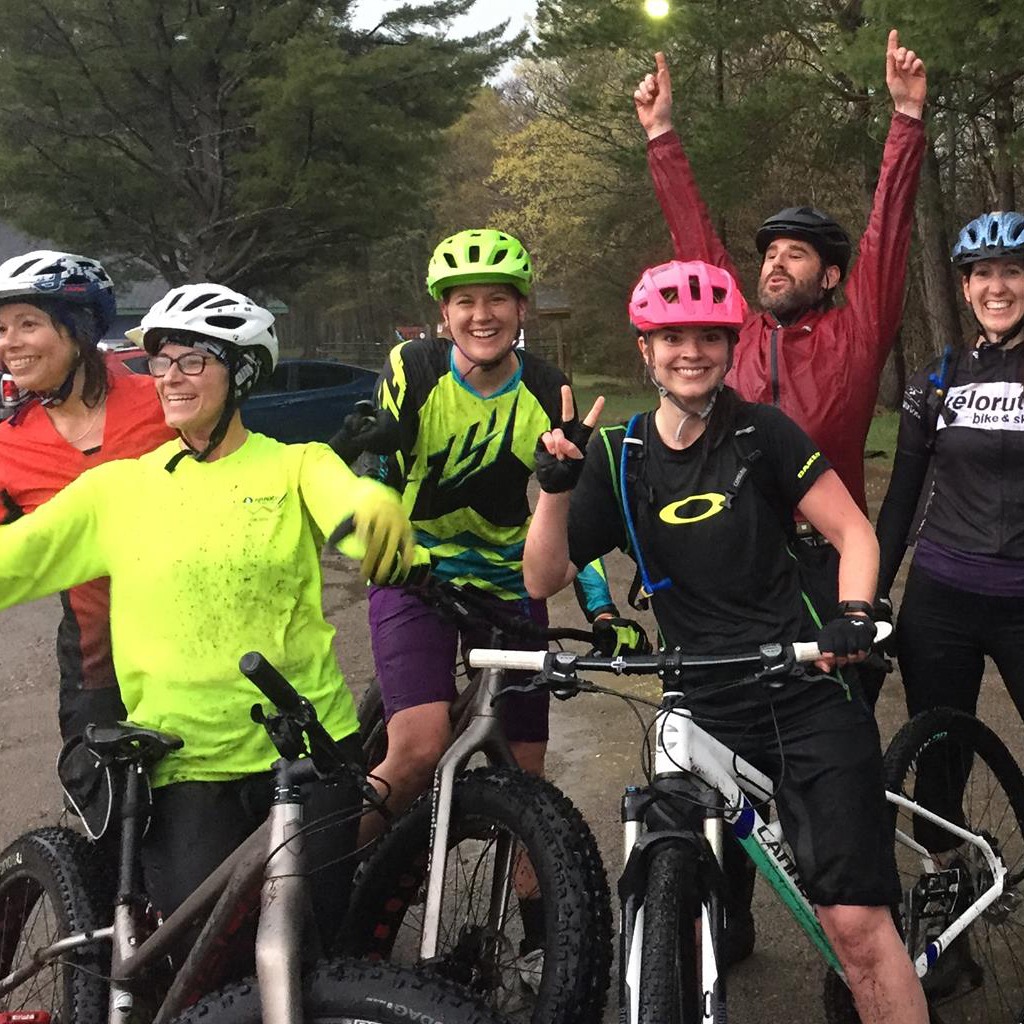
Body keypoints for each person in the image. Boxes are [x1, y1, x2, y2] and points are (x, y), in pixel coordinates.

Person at [523, 258, 927, 1024]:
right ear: (645, 349)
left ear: (729, 346)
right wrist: (553, 490)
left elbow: (854, 533)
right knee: (668, 874)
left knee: (855, 929)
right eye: (671, 337)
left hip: (806, 686)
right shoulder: (620, 453)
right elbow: (541, 578)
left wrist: (852, 612)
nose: (691, 352)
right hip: (700, 699)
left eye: (709, 336)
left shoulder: (761, 433)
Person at [0, 282, 414, 937]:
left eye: (192, 361)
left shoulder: (296, 465)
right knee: (204, 961)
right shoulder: (118, 490)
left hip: (310, 750)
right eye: (160, 363)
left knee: (312, 944)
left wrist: (377, 514)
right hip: (187, 766)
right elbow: (11, 559)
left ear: (241, 371)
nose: (169, 378)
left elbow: (351, 506)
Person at [633, 29, 927, 703]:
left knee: (835, 722)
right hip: (741, 559)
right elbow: (696, 245)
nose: (773, 261)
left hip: (828, 561)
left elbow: (888, 234)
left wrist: (905, 120)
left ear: (827, 278)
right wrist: (661, 135)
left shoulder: (855, 335)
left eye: (794, 254)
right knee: (740, 722)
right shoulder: (736, 331)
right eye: (769, 252)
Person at [349, 227, 622, 847]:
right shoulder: (414, 368)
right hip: (415, 573)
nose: (481, 315)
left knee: (527, 777)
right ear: (443, 313)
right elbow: (379, 479)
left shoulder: (549, 391)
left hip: (506, 577)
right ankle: (334, 885)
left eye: (497, 299)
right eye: (463, 301)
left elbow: (569, 521)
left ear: (521, 308)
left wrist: (601, 609)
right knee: (418, 750)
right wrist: (377, 521)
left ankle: (539, 925)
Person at [0, 250, 173, 739]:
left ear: (78, 327)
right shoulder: (8, 445)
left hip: (196, 647)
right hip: (96, 668)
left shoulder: (161, 401)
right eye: (1, 330)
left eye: (27, 324)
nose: (10, 344)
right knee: (105, 807)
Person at [877, 210, 1024, 728]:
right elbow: (901, 496)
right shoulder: (937, 380)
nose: (997, 286)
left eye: (1012, 270)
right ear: (965, 288)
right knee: (939, 765)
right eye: (982, 273)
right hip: (939, 600)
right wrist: (871, 594)